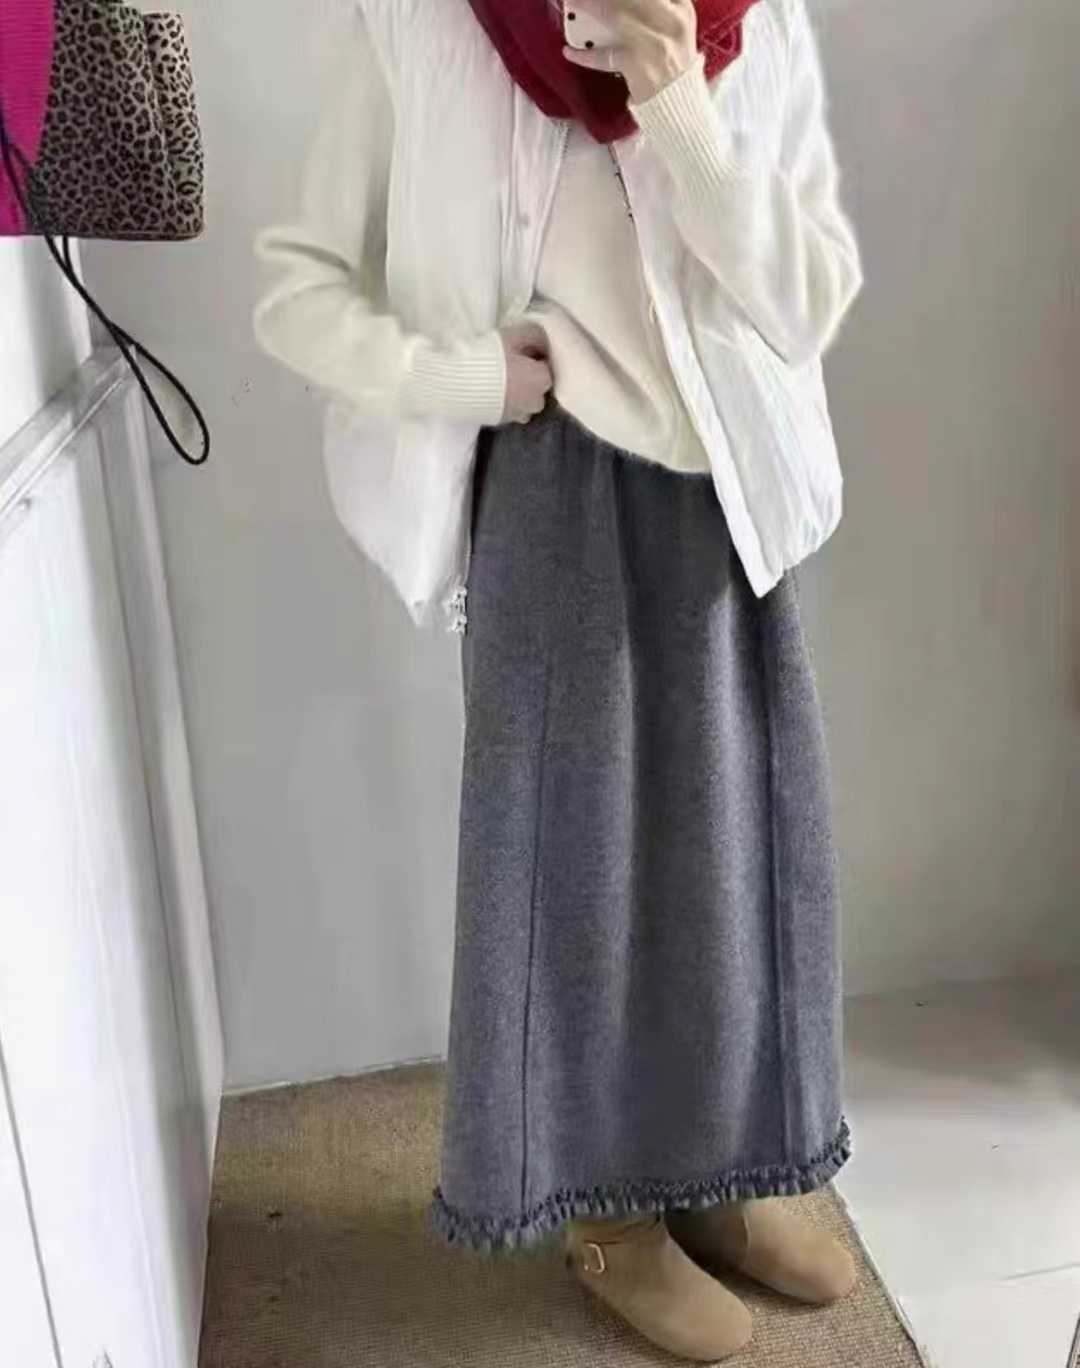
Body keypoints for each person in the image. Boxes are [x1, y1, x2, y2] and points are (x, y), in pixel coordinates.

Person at [253, 0, 864, 1359]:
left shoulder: (752, 21)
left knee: (736, 860)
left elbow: (806, 297)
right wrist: (460, 375)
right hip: (555, 489)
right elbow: (299, 288)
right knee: (572, 878)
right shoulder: (421, 23)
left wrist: (680, 105)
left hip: (729, 491)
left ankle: (722, 1173)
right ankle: (611, 1219)